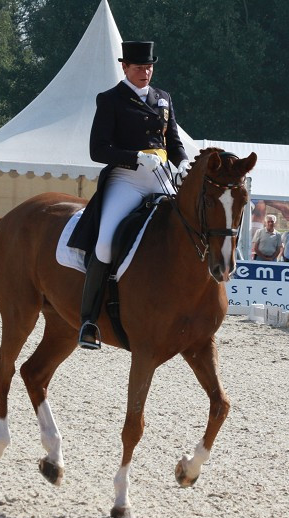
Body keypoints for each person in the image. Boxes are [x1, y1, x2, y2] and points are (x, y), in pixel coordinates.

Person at [67, 40, 187, 350]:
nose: (145, 72)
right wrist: (135, 157)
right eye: (138, 68)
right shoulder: (110, 100)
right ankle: (89, 321)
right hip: (127, 179)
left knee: (188, 231)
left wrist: (184, 162)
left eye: (149, 67)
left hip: (161, 178)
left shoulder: (164, 97)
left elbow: (172, 141)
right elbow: (98, 150)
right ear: (124, 67)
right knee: (106, 242)